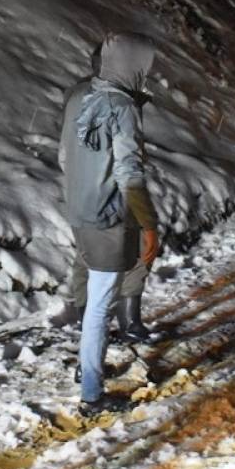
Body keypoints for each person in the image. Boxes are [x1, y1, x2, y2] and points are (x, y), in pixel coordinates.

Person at [59, 32, 160, 416]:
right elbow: (129, 172)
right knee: (101, 306)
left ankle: (89, 367)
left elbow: (65, 157)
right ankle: (91, 395)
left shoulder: (81, 98)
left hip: (80, 210)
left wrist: (79, 192)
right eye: (145, 66)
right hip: (109, 216)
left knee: (95, 300)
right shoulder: (121, 106)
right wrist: (148, 223)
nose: (147, 74)